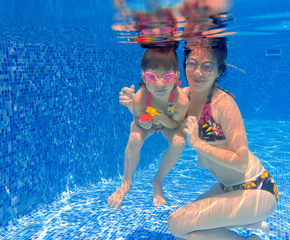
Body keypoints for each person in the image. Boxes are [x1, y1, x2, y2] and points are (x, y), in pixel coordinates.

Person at [119, 38, 278, 239]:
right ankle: (247, 219)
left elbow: (241, 162)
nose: (197, 72)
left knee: (177, 224)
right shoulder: (182, 99)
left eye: (207, 66)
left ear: (219, 71)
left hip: (256, 189)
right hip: (226, 188)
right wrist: (133, 106)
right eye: (192, 64)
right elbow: (159, 123)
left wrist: (198, 144)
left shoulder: (223, 105)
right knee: (186, 229)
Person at [108, 46, 189, 211]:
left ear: (176, 78)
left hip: (168, 123)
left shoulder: (181, 101)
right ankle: (126, 182)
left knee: (179, 142)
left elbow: (175, 124)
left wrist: (165, 119)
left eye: (167, 77)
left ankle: (158, 180)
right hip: (149, 123)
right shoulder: (140, 97)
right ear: (143, 78)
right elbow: (137, 119)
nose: (159, 84)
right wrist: (142, 123)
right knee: (134, 137)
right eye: (152, 77)